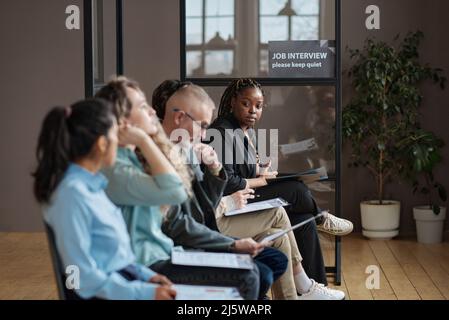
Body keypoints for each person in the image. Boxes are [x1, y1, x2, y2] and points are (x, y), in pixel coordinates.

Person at [153, 80, 344, 300]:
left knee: (291, 228)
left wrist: (223, 170)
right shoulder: (199, 142)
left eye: (258, 105)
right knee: (292, 198)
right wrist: (231, 237)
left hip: (218, 213)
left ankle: (305, 289)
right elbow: (196, 216)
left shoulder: (199, 148)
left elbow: (202, 206)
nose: (206, 134)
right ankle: (307, 282)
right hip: (210, 224)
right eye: (203, 126)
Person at [96, 77, 267, 300]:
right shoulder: (122, 165)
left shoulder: (137, 157)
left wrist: (214, 169)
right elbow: (177, 201)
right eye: (141, 105)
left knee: (256, 270)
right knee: (250, 275)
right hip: (150, 262)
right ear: (124, 120)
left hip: (167, 252)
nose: (150, 110)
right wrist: (148, 142)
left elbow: (197, 210)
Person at [209, 78, 354, 286]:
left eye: (258, 106)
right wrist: (262, 181)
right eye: (246, 103)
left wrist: (261, 170)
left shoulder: (246, 131)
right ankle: (322, 218)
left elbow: (245, 170)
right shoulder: (222, 130)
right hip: (233, 203)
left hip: (248, 193)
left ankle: (314, 287)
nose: (252, 110)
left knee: (304, 221)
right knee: (297, 190)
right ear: (233, 101)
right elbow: (228, 182)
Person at [33, 98, 176, 300]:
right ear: (102, 144)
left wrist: (146, 276)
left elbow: (114, 257)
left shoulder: (92, 186)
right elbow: (79, 276)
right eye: (114, 135)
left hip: (125, 284)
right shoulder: (71, 195)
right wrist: (143, 293)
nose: (119, 142)